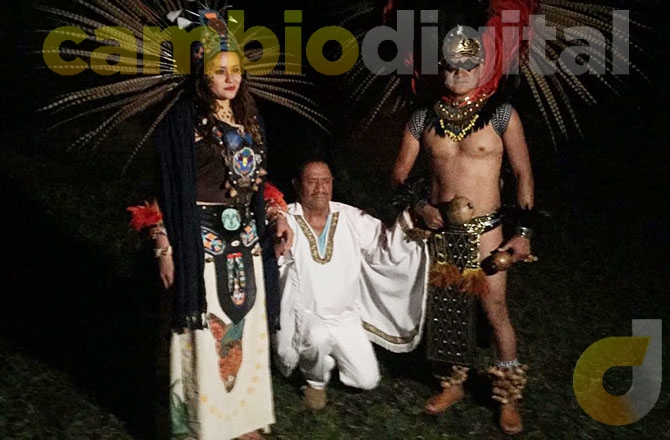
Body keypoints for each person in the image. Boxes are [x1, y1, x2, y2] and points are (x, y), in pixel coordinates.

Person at [129, 13, 293, 439]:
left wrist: (276, 213)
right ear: (202, 74)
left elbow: (255, 183)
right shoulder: (182, 122)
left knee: (247, 332)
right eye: (220, 71)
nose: (230, 78)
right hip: (199, 242)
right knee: (204, 335)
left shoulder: (249, 120)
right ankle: (208, 425)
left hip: (248, 244)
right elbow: (160, 191)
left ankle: (244, 421)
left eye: (235, 69)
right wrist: (164, 246)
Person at [392, 25, 536, 435]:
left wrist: (523, 233)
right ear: (441, 67)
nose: (460, 73)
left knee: (494, 311)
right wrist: (421, 207)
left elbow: (523, 174)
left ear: (481, 67)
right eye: (452, 66)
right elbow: (399, 175)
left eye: (468, 66)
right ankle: (452, 383)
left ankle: (508, 396)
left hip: (488, 230)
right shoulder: (423, 118)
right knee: (448, 312)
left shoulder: (502, 115)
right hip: (442, 232)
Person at [273, 160, 427, 410]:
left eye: (325, 181)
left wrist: (410, 223)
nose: (320, 188)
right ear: (297, 185)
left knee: (367, 380)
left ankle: (326, 358)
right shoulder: (284, 218)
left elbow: (384, 249)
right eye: (312, 181)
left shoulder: (350, 217)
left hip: (344, 317)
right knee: (318, 337)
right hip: (304, 315)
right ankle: (315, 380)